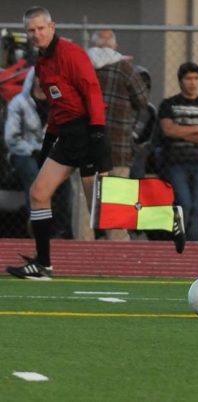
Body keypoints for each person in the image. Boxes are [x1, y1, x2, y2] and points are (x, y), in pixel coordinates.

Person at [5, 6, 111, 279]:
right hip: (67, 136)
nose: (36, 34)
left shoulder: (71, 53)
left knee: (102, 211)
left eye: (41, 28)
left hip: (87, 133)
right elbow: (57, 104)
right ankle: (43, 264)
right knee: (39, 193)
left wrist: (97, 133)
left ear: (52, 27)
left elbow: (92, 91)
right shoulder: (41, 61)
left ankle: (168, 218)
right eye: (31, 30)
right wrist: (49, 140)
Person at [87, 29, 148, 240]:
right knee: (119, 197)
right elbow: (142, 99)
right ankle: (119, 247)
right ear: (114, 46)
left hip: (88, 143)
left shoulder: (82, 66)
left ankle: (89, 241)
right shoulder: (125, 68)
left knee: (90, 198)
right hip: (119, 144)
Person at [4, 67, 73, 239]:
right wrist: (32, 150)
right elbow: (11, 138)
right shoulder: (19, 103)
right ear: (35, 79)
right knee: (34, 175)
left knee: (64, 181)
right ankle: (38, 224)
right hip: (23, 153)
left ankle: (62, 229)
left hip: (50, 152)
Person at [158, 62, 198, 242]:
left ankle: (193, 248)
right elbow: (168, 130)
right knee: (183, 203)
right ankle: (179, 243)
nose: (193, 82)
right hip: (175, 162)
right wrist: (195, 130)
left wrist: (181, 131)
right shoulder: (169, 104)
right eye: (188, 78)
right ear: (181, 80)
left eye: (196, 78)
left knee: (196, 207)